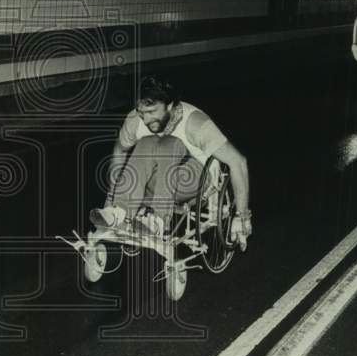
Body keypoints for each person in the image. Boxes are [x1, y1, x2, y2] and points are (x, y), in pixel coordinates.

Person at [90, 74, 253, 250]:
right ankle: (119, 211)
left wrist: (242, 217)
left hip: (194, 181)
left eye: (152, 112)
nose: (145, 119)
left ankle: (157, 221)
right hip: (156, 180)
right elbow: (119, 151)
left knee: (170, 143)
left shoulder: (195, 123)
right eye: (141, 112)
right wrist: (111, 197)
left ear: (170, 106)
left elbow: (238, 161)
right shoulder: (136, 120)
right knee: (146, 141)